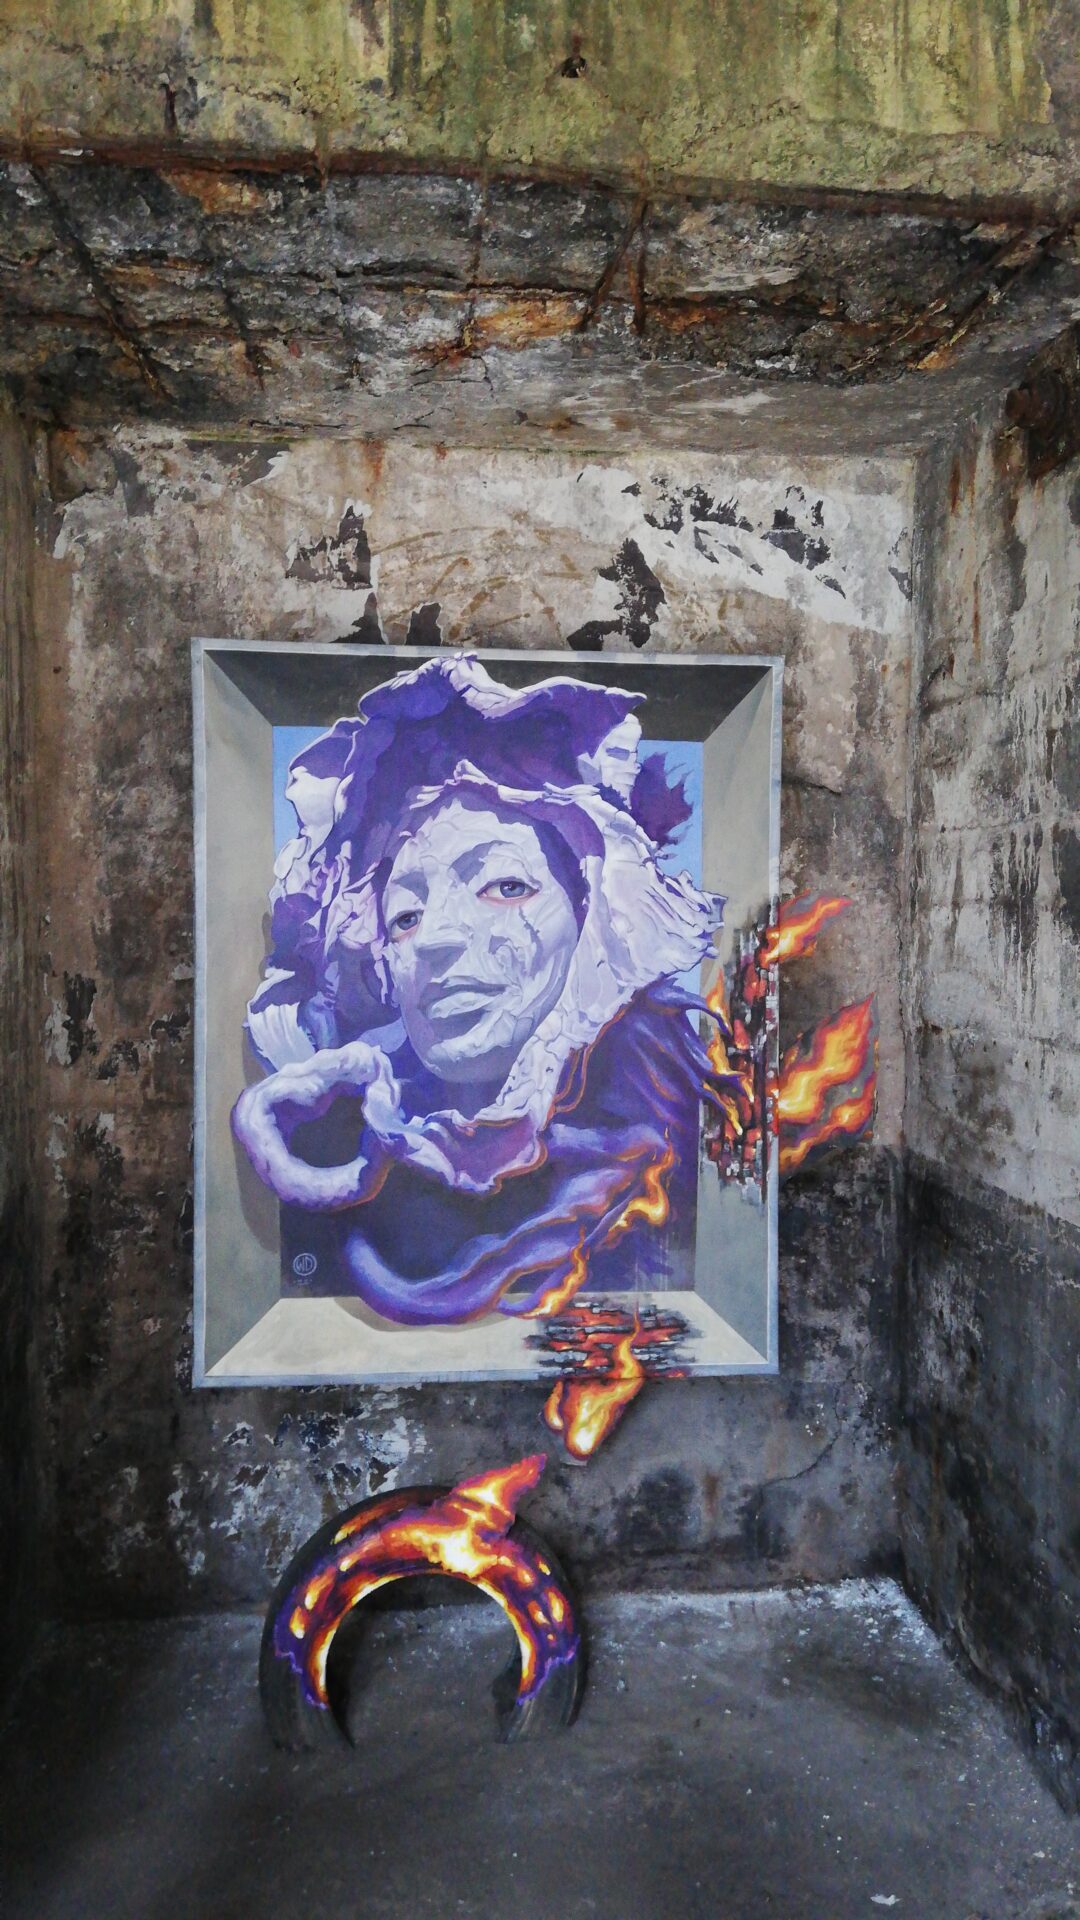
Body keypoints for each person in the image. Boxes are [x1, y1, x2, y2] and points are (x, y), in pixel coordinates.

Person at [232, 654, 735, 1325]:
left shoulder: (681, 1165)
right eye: (404, 917)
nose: (433, 940)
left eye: (504, 886)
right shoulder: (335, 1150)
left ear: (593, 919)